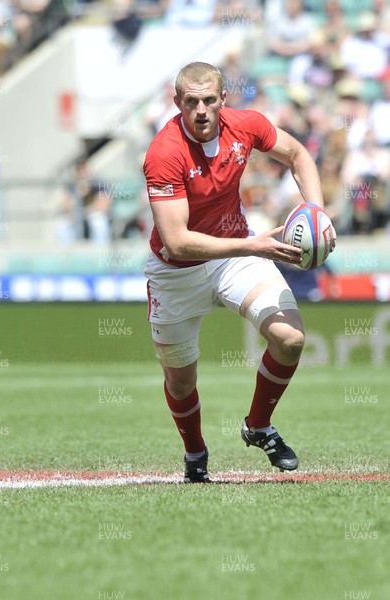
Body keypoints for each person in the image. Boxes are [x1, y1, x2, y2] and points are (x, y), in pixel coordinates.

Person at [143, 62, 336, 483]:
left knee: (290, 339)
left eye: (209, 100)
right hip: (177, 272)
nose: (201, 110)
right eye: (191, 102)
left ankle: (259, 426)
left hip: (236, 256)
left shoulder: (246, 125)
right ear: (177, 103)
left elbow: (298, 154)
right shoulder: (163, 153)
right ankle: (195, 452)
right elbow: (177, 240)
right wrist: (254, 244)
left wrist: (316, 210)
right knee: (179, 383)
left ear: (222, 100)